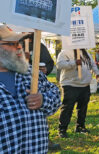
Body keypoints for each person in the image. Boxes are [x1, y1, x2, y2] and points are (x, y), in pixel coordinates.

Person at [0, 25, 61, 153]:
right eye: (11, 43)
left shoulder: (31, 73)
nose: (19, 47)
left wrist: (43, 100)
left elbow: (55, 95)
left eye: (19, 42)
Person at [57, 48, 99, 138]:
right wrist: (73, 63)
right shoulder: (65, 52)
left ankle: (80, 126)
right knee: (67, 107)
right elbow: (59, 65)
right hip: (70, 84)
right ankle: (62, 129)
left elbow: (92, 64)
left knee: (83, 107)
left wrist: (97, 73)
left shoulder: (86, 53)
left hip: (84, 85)